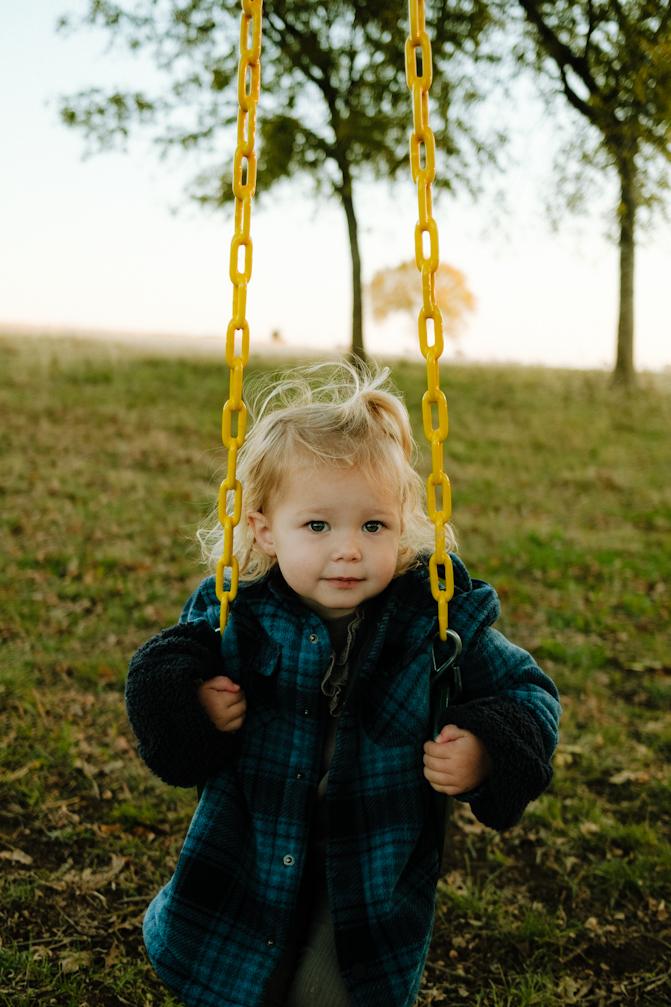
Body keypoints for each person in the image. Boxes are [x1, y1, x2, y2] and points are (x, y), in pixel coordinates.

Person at [125, 362, 561, 1007]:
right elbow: (157, 673)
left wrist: (489, 749)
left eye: (373, 526)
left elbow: (530, 695)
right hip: (247, 848)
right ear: (264, 528)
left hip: (364, 869)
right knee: (233, 982)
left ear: (403, 524)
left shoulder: (431, 619)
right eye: (319, 526)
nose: (349, 549)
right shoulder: (235, 610)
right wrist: (187, 702)